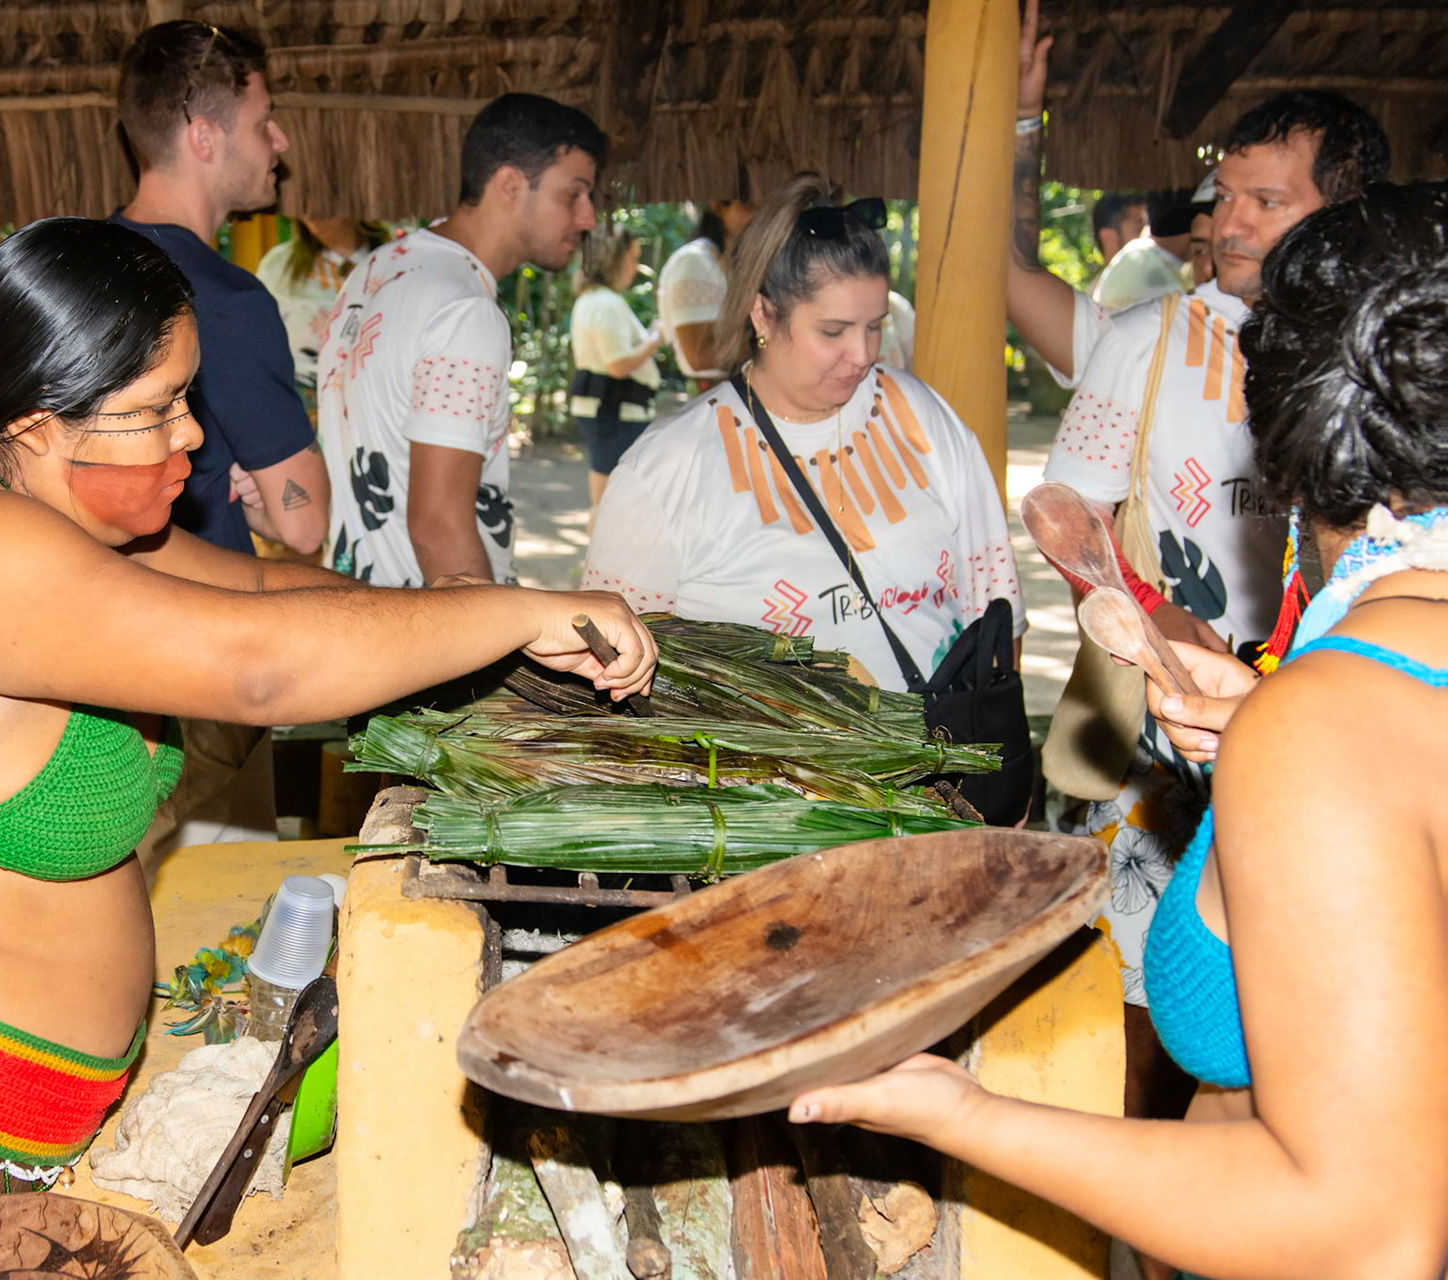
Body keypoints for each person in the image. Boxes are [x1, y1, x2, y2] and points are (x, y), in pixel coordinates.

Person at [0, 217, 656, 1280]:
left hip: (6, 1125)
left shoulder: (64, 513)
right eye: (156, 409)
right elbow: (257, 667)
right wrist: (517, 613)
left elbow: (268, 589)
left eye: (188, 394)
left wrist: (454, 623)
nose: (193, 434)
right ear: (37, 421)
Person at [789, 180, 1448, 1280]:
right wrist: (1271, 733)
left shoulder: (1329, 724)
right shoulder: (1366, 699)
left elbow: (1369, 1233)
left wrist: (964, 1114)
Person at [1034, 91, 1392, 1184]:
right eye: (1222, 195)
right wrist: (1148, 618)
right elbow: (1064, 513)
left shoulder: (1390, 359)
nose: (1225, 222)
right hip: (1165, 740)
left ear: (1344, 214)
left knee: (1321, 1043)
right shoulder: (1149, 339)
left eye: (1265, 201)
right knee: (1150, 1025)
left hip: (1334, 745)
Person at [582, 174, 1024, 697]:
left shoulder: (923, 418)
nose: (863, 355)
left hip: (945, 759)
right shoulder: (667, 466)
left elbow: (998, 614)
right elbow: (608, 665)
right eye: (833, 332)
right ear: (763, 313)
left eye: (875, 326)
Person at [317, 93, 605, 586]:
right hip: (426, 634)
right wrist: (492, 656)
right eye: (573, 195)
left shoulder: (379, 269)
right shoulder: (466, 314)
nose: (588, 217)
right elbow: (439, 528)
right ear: (510, 185)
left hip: (360, 607)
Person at [111, 19, 328, 561]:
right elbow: (304, 526)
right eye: (264, 122)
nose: (280, 141)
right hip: (201, 613)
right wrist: (260, 492)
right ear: (204, 137)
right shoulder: (227, 302)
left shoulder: (84, 265)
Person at [569, 226, 664, 510]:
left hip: (611, 411)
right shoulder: (605, 303)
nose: (635, 268)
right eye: (632, 259)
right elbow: (619, 365)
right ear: (613, 259)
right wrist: (656, 338)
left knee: (607, 499)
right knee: (610, 501)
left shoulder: (592, 299)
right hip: (614, 413)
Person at [255, 216, 391, 412]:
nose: (311, 210)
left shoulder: (396, 258)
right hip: (300, 409)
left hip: (378, 405)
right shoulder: (278, 266)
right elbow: (258, 346)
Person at [658, 197, 755, 384]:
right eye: (748, 205)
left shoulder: (724, 260)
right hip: (715, 394)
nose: (757, 214)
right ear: (717, 206)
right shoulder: (695, 260)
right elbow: (700, 357)